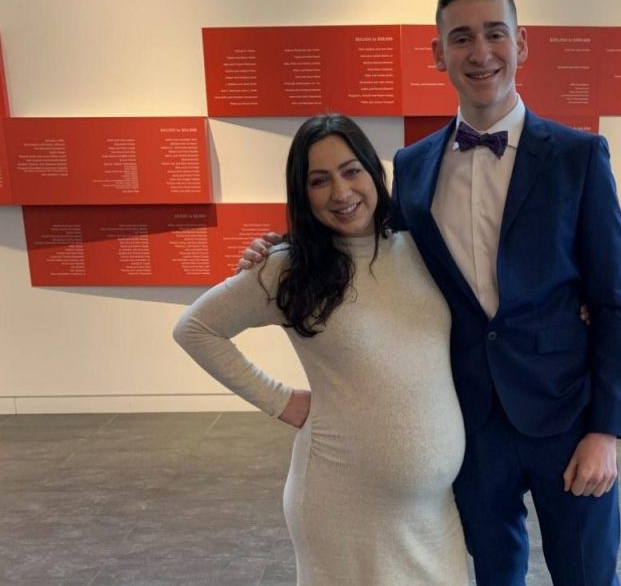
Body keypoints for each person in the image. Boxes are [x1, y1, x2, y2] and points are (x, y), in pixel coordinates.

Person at [242, 0, 621, 586]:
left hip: (566, 416)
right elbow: (373, 240)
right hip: (467, 423)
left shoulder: (579, 157)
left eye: (494, 33)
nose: (480, 53)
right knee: (492, 576)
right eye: (461, 38)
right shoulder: (413, 166)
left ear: (521, 43)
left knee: (589, 575)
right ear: (438, 54)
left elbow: (615, 305)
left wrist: (607, 431)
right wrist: (284, 248)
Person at [174, 114, 469, 586]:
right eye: (319, 180)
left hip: (434, 512)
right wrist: (281, 400)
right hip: (343, 507)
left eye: (351, 170)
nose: (341, 192)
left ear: (374, 171)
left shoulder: (420, 248)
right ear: (302, 192)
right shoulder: (288, 269)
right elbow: (196, 329)